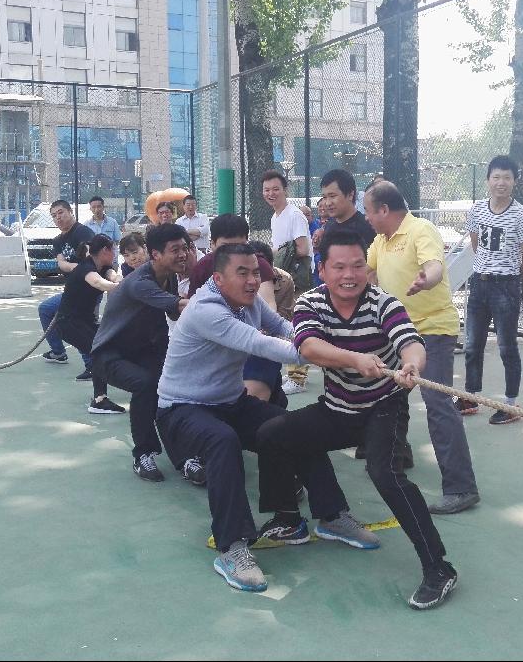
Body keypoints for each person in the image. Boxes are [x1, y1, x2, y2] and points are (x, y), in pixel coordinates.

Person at [156, 243, 376, 592]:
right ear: (218, 278)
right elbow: (261, 344)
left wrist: (330, 340)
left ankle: (331, 516)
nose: (252, 281)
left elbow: (288, 329)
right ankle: (232, 547)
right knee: (222, 441)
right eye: (242, 273)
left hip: (231, 402)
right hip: (182, 408)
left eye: (255, 273)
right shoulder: (205, 311)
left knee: (297, 429)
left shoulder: (248, 302)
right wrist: (339, 356)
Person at [258, 230, 459, 610]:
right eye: (339, 267)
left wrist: (411, 365)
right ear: (322, 270)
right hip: (338, 407)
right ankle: (292, 518)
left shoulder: (383, 303)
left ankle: (439, 567)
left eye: (357, 266)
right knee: (274, 434)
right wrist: (355, 360)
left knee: (385, 474)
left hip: (384, 407)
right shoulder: (310, 303)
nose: (349, 275)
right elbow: (308, 347)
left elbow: (410, 341)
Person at [364, 180, 480, 514]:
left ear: (384, 210)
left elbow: (434, 266)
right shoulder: (381, 240)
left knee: (437, 401)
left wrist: (426, 279)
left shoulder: (420, 230)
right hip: (397, 333)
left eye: (369, 212)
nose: (367, 218)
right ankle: (395, 457)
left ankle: (461, 487)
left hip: (432, 330)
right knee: (385, 394)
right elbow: (366, 272)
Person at [92, 223, 194, 483]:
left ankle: (184, 458)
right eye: (175, 250)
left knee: (173, 389)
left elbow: (174, 314)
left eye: (185, 248)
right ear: (155, 254)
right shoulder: (139, 282)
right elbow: (180, 307)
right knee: (146, 385)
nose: (183, 254)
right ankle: (143, 455)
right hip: (109, 354)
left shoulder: (169, 275)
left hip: (145, 350)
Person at [457, 155, 523, 423]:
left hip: (505, 288)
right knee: (472, 344)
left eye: (506, 177)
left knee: (506, 347)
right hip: (479, 285)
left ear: (514, 181)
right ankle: (470, 397)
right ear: (488, 180)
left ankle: (510, 404)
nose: (501, 182)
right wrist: (487, 269)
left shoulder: (521, 215)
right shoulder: (477, 210)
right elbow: (476, 244)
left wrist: (510, 277)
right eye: (496, 177)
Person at [188, 214, 284, 405]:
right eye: (225, 247)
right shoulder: (203, 268)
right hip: (217, 349)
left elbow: (268, 304)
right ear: (212, 244)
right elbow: (193, 310)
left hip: (253, 345)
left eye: (239, 246)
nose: (233, 254)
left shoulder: (257, 263)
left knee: (265, 356)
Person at [55, 234, 125, 415]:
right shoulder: (86, 268)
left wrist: (120, 280)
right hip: (68, 323)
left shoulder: (103, 267)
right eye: (113, 250)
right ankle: (99, 400)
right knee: (98, 351)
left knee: (106, 346)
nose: (115, 254)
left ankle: (103, 394)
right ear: (105, 251)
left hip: (85, 321)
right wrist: (125, 286)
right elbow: (98, 283)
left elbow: (113, 276)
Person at [38, 200, 95, 377]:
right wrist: (77, 268)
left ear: (71, 212)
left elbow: (90, 259)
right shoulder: (57, 241)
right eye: (54, 215)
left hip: (89, 289)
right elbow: (61, 264)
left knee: (77, 324)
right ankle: (58, 352)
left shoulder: (83, 232)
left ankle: (92, 366)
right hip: (72, 291)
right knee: (46, 309)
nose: (58, 218)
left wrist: (79, 269)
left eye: (61, 212)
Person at [263, 169, 314, 294]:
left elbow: (303, 249)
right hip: (283, 277)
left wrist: (272, 252)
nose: (271, 193)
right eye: (266, 190)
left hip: (298, 280)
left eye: (275, 189)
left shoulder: (294, 215)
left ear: (285, 191)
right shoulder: (274, 217)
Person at [320, 168, 377, 248]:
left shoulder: (368, 228)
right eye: (324, 197)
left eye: (332, 196)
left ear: (350, 195)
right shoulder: (329, 226)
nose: (328, 203)